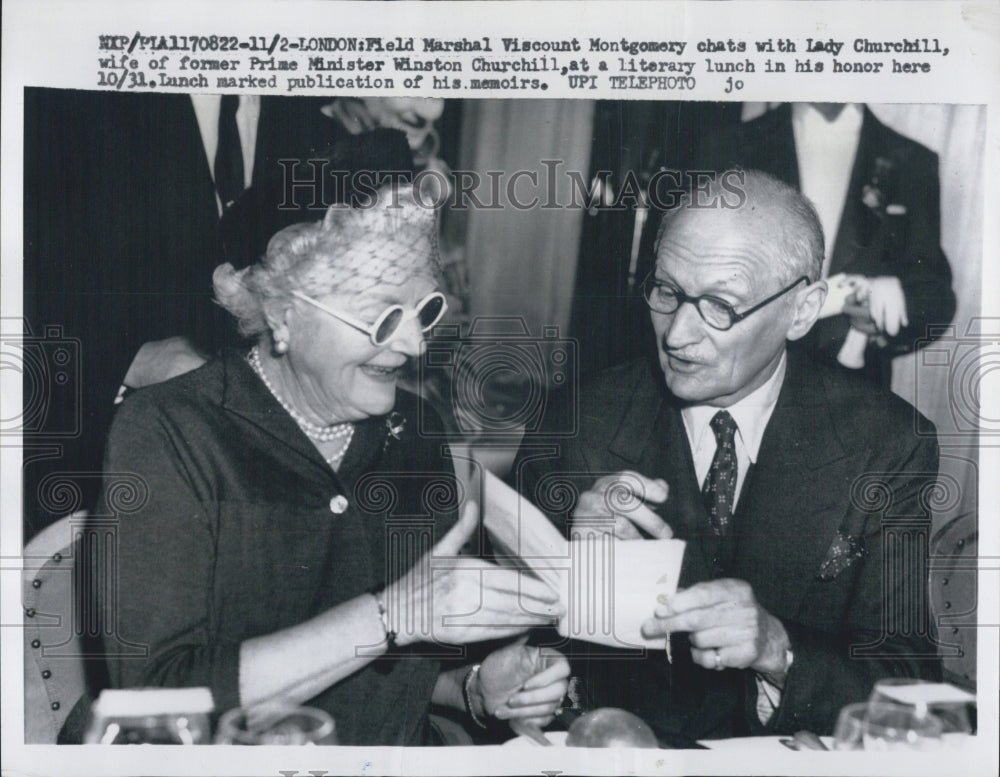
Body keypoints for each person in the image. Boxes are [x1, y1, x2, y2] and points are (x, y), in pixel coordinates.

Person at [96, 187, 569, 745]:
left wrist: (471, 687)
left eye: (425, 310)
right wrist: (389, 615)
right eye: (384, 316)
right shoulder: (173, 431)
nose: (415, 344)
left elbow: (389, 674)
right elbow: (157, 700)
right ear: (283, 313)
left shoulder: (418, 433)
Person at [512, 170, 941, 739]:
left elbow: (908, 684)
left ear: (803, 311)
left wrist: (777, 649)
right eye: (666, 292)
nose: (677, 334)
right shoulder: (574, 423)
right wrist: (577, 570)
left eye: (719, 304)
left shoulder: (886, 443)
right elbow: (499, 665)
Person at [696, 102, 956, 386]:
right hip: (743, 379)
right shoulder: (725, 147)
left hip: (854, 390)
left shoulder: (913, 161)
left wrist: (887, 314)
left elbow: (932, 288)